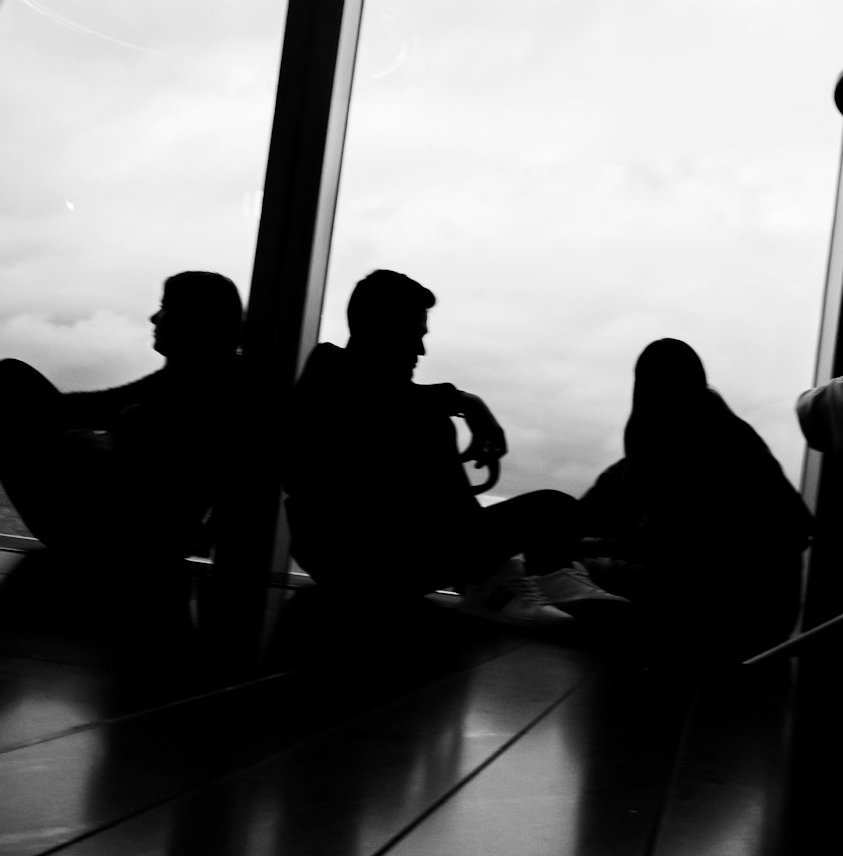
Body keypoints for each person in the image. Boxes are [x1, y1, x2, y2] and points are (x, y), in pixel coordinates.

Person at [283, 270, 623, 628]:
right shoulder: (329, 375)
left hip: (370, 554)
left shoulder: (371, 398)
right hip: (351, 556)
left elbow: (383, 405)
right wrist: (466, 402)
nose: (421, 349)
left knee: (555, 508)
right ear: (378, 330)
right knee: (544, 506)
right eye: (412, 335)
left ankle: (521, 576)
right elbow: (373, 401)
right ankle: (505, 579)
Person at [577, 339, 812, 659]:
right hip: (766, 623)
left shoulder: (684, 448)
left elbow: (667, 543)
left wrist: (586, 544)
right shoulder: (733, 439)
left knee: (570, 573)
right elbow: (797, 526)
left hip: (716, 616)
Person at [0, 271, 244, 562]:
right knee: (12, 377)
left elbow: (92, 413)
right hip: (146, 537)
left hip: (112, 534)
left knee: (10, 377)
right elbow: (91, 410)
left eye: (165, 308)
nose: (154, 318)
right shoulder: (206, 379)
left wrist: (82, 442)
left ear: (192, 319)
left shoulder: (195, 385)